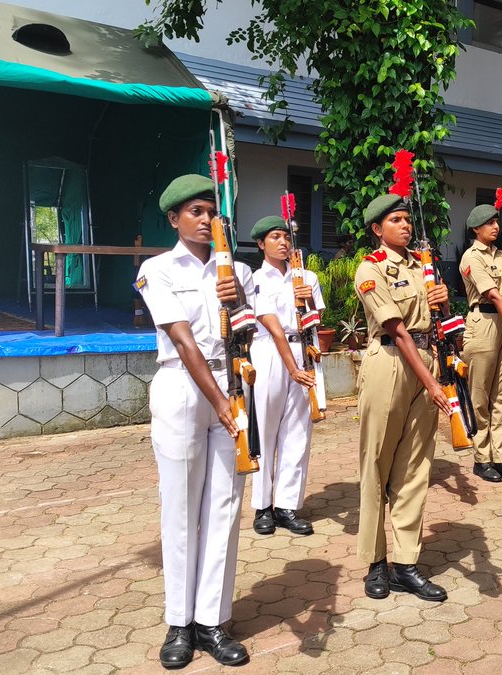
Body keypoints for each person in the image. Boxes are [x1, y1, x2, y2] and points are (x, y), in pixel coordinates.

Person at [134, 174, 254, 668]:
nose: (206, 221)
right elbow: (183, 342)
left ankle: (212, 620)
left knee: (224, 507)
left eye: (211, 212)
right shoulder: (156, 269)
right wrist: (222, 404)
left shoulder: (238, 272)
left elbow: (247, 336)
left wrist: (236, 302)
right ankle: (179, 623)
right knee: (181, 508)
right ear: (174, 219)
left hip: (231, 386)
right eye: (196, 212)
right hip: (184, 391)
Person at [354, 193, 454, 602]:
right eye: (395, 220)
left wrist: (443, 303)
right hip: (390, 365)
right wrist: (432, 383)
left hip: (424, 360)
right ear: (378, 229)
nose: (405, 225)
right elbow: (396, 328)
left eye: (406, 219)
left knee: (415, 467)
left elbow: (434, 321)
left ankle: (406, 564)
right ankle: (376, 563)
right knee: (377, 464)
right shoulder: (370, 268)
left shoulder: (422, 265)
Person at [248, 216, 325, 537]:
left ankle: (287, 505)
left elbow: (316, 317)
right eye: (274, 237)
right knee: (265, 430)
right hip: (268, 353)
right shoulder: (254, 279)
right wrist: (291, 368)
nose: (282, 243)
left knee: (297, 431)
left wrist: (305, 298)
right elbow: (268, 322)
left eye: (286, 237)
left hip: (303, 348)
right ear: (260, 244)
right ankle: (262, 506)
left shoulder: (307, 276)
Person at [459, 204, 502, 484]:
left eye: (496, 221)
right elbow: (495, 296)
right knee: (480, 395)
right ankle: (481, 457)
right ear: (476, 228)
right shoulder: (471, 257)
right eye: (488, 223)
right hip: (483, 323)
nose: (495, 227)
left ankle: (501, 457)